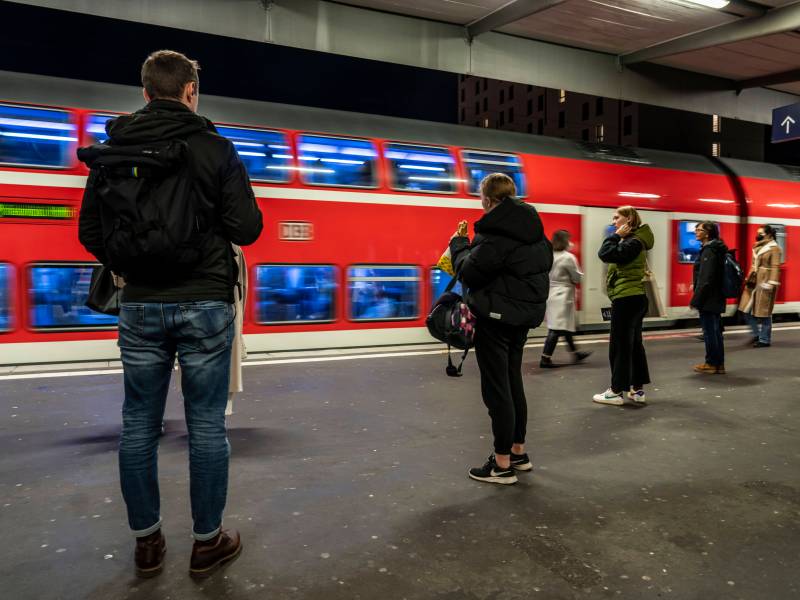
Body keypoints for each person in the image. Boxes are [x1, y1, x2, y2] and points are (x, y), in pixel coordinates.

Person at [78, 50, 263, 579]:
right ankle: (207, 543)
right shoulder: (215, 148)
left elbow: (90, 233)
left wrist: (131, 263)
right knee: (206, 426)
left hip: (139, 305)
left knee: (138, 424)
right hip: (205, 301)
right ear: (190, 92)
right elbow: (246, 229)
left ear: (144, 93)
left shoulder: (114, 150)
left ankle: (147, 544)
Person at [450, 173, 552, 485]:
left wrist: (458, 245)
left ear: (490, 200)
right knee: (512, 382)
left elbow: (470, 271)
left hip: (494, 319)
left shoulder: (495, 234)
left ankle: (502, 464)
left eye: (481, 198)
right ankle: (518, 453)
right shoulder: (534, 231)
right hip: (521, 318)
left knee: (497, 389)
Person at [594, 206, 653, 406]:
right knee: (634, 345)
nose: (613, 222)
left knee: (619, 346)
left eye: (616, 217)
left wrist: (614, 236)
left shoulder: (633, 242)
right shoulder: (637, 240)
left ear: (628, 219)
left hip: (627, 299)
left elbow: (605, 253)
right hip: (634, 299)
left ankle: (616, 391)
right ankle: (637, 390)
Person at [540, 229, 591, 368]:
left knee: (564, 326)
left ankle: (576, 354)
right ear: (565, 241)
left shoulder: (548, 255)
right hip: (563, 295)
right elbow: (577, 277)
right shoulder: (568, 257)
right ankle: (545, 358)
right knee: (556, 328)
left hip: (550, 293)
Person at [690, 221, 728, 374]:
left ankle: (711, 363)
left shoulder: (709, 251)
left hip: (709, 298)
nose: (696, 232)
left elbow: (706, 278)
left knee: (710, 331)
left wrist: (696, 299)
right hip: (716, 296)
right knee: (715, 331)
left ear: (707, 233)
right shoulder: (715, 248)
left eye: (699, 230)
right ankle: (719, 364)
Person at [739, 225, 781, 348]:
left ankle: (764, 339)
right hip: (754, 281)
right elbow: (753, 264)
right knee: (745, 310)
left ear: (769, 235)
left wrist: (771, 282)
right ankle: (756, 334)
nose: (758, 235)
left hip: (765, 281)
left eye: (761, 233)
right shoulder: (758, 246)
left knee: (764, 312)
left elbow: (775, 266)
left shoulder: (775, 248)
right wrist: (748, 278)